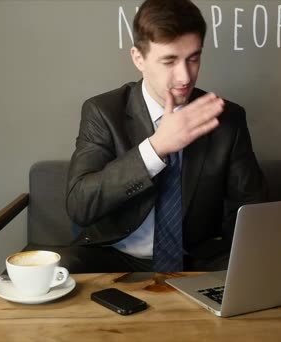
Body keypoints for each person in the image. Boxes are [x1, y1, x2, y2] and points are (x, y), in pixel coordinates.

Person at [64, 0, 265, 273]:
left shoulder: (227, 118)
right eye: (169, 61)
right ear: (138, 59)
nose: (185, 76)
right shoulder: (102, 112)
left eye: (193, 58)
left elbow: (250, 210)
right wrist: (156, 148)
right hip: (115, 256)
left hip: (197, 259)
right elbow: (80, 205)